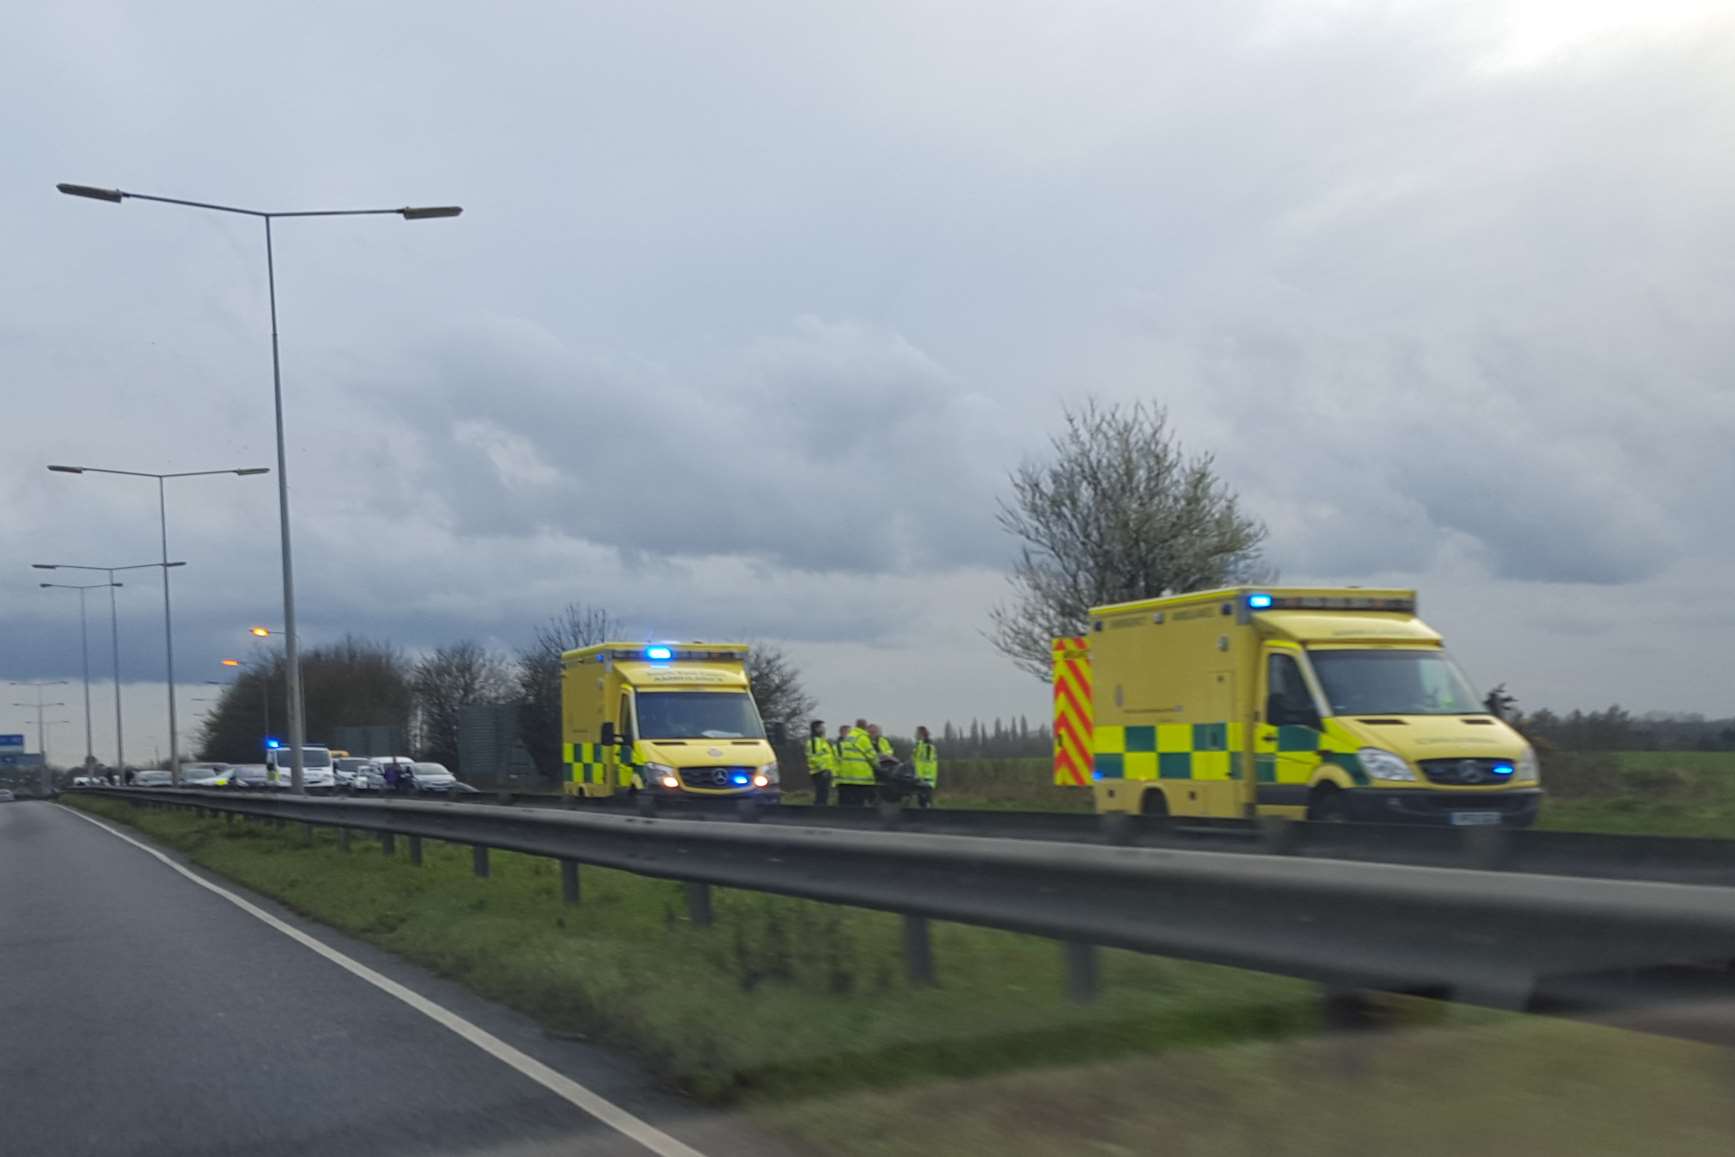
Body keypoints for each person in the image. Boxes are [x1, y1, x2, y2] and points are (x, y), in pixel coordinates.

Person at [835, 719, 877, 806]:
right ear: (865, 727)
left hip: (846, 774)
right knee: (859, 802)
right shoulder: (863, 737)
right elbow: (872, 756)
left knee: (847, 803)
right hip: (860, 775)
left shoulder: (849, 736)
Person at [806, 719, 836, 807]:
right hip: (820, 772)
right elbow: (814, 757)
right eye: (821, 727)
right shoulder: (814, 741)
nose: (824, 729)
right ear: (816, 729)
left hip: (825, 772)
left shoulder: (823, 741)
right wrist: (823, 769)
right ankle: (818, 811)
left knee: (824, 794)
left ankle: (822, 809)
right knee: (821, 794)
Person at [912, 725, 938, 808]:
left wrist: (924, 777)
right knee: (921, 801)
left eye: (917, 733)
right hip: (920, 777)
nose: (915, 735)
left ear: (921, 734)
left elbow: (928, 762)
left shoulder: (927, 746)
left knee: (925, 801)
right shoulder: (919, 745)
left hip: (925, 778)